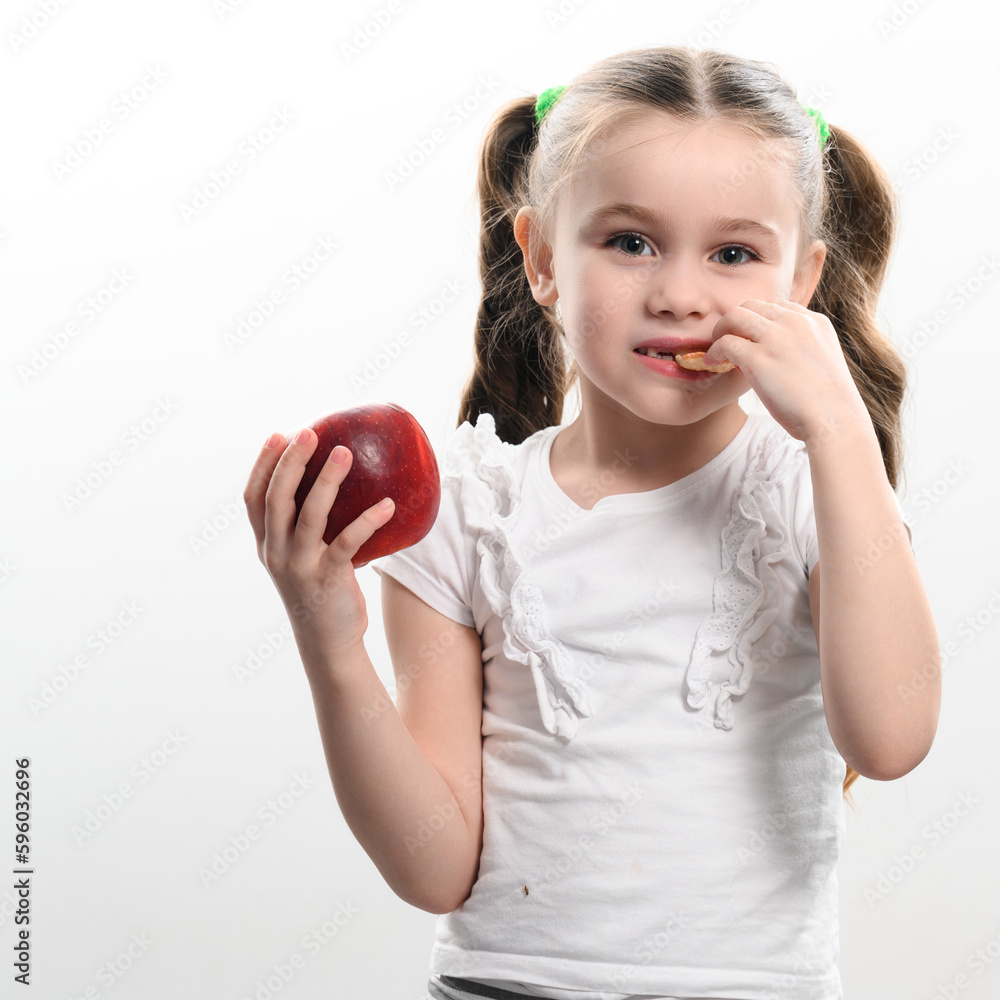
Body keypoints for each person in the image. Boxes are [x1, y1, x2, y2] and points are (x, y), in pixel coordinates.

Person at [243, 45, 941, 1000]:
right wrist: (330, 640)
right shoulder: (471, 511)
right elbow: (433, 867)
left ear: (803, 281)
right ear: (540, 260)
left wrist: (840, 432)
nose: (681, 295)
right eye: (630, 241)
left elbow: (893, 738)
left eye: (734, 254)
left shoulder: (814, 486)